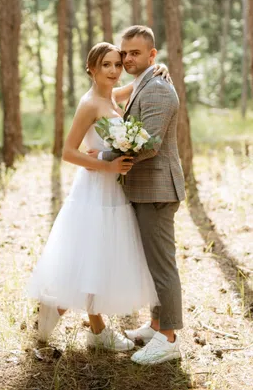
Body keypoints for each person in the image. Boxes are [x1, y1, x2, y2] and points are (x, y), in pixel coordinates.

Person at [28, 42, 170, 351]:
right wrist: (106, 163)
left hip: (113, 190)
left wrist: (157, 70)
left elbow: (134, 86)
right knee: (89, 255)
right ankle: (61, 323)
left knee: (100, 257)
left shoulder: (111, 97)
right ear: (91, 69)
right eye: (106, 65)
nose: (114, 70)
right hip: (93, 190)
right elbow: (67, 152)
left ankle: (94, 328)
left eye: (117, 64)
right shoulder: (90, 103)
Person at [89, 26, 185, 365]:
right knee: (150, 263)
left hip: (157, 188)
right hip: (143, 188)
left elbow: (149, 145)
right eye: (124, 52)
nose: (128, 59)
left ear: (152, 55)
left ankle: (169, 338)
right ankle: (157, 325)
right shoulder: (143, 83)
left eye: (135, 53)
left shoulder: (156, 88)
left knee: (161, 266)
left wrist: (100, 158)